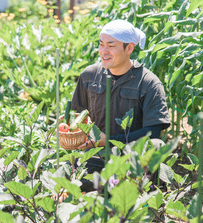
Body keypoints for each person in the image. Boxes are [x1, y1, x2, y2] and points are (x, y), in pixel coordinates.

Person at [71, 20, 170, 175]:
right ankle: (102, 186)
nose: (104, 51)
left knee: (155, 145)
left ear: (129, 48)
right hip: (95, 153)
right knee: (67, 167)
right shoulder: (89, 76)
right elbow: (76, 116)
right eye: (101, 44)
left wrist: (109, 139)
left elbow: (153, 132)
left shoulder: (148, 83)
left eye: (111, 46)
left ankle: (126, 185)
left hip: (130, 156)